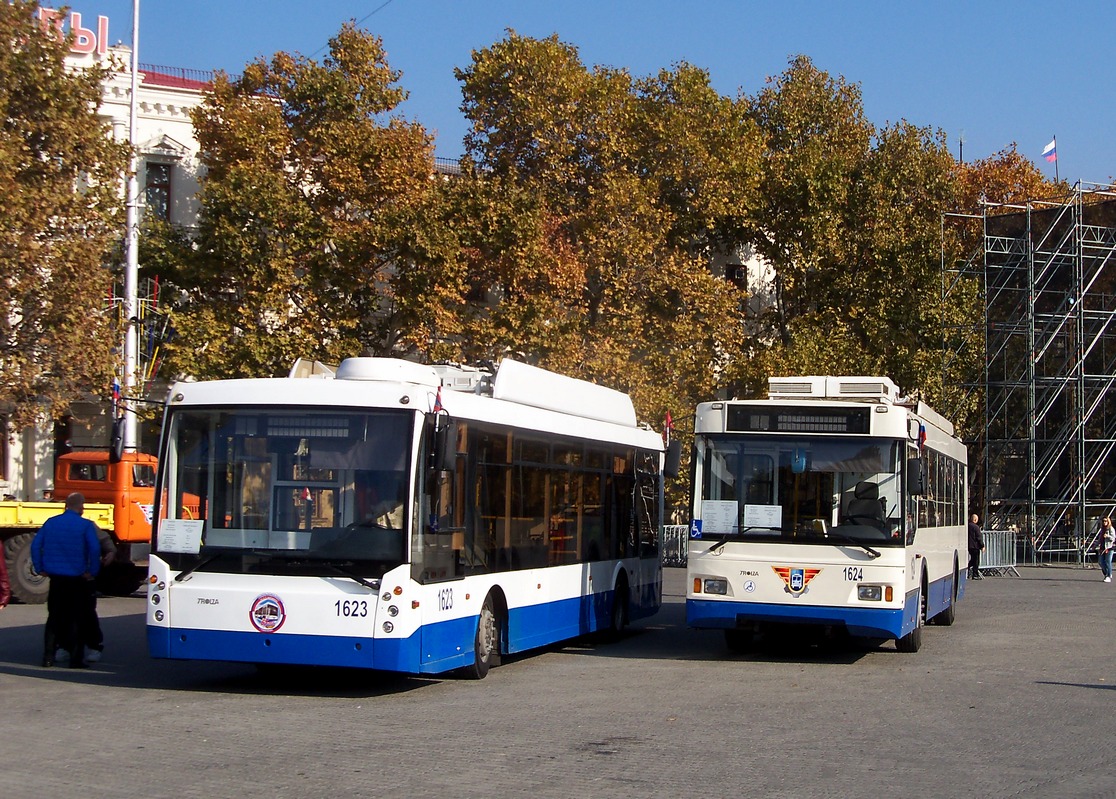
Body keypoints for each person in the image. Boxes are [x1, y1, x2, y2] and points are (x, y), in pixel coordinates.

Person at [30, 492, 102, 668]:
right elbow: (94, 549)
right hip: (77, 578)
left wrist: (40, 567)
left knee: (54, 617)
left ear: (65, 505)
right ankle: (76, 659)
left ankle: (48, 657)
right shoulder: (85, 525)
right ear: (81, 507)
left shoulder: (51, 523)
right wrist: (92, 571)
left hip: (56, 578)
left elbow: (35, 545)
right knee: (78, 618)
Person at [968, 513, 985, 580]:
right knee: (976, 561)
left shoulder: (968, 526)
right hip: (975, 546)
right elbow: (979, 537)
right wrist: (982, 546)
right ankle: (975, 574)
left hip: (969, 546)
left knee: (972, 560)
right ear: (975, 520)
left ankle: (968, 569)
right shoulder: (976, 527)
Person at [1098, 517, 1115, 583]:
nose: (1104, 522)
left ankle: (1108, 575)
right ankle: (1107, 574)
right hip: (1102, 547)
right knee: (1101, 562)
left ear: (1108, 521)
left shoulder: (1111, 529)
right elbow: (1099, 539)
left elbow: (1113, 538)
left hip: (1109, 547)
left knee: (1108, 561)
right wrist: (1094, 546)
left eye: (1105, 521)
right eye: (1103, 521)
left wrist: (1107, 536)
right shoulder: (1102, 529)